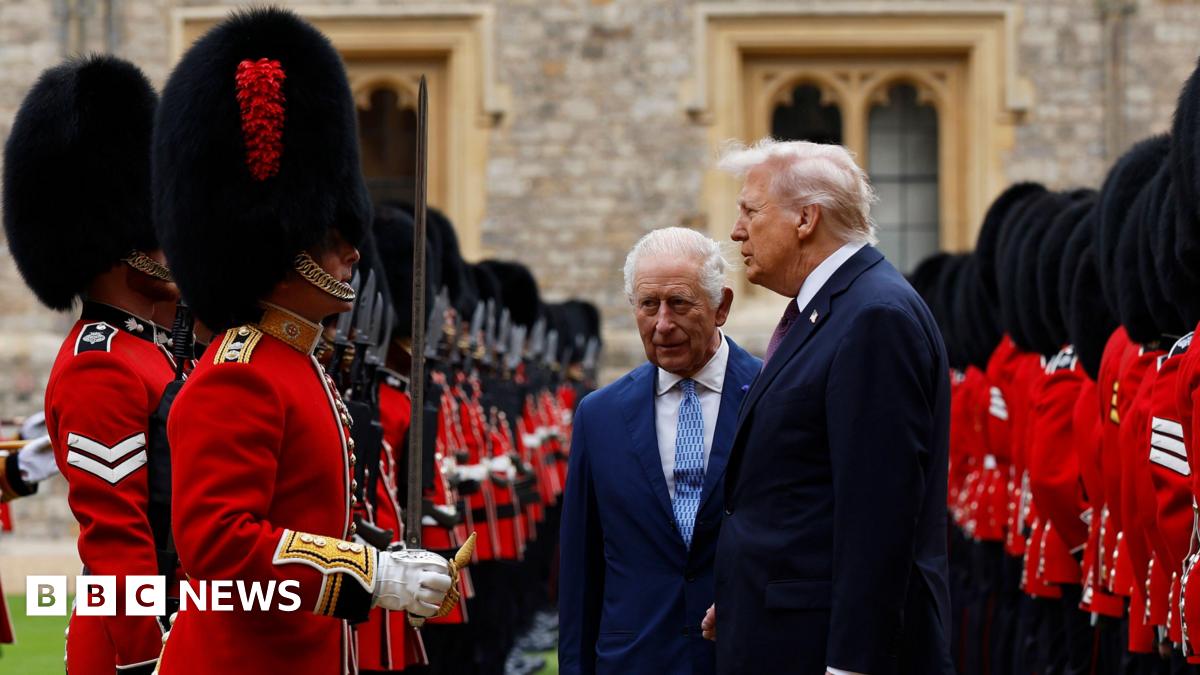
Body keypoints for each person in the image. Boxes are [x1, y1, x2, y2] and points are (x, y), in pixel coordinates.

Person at [151, 9, 452, 674]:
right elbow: (219, 545)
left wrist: (380, 561)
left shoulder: (299, 363)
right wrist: (367, 572)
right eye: (327, 236)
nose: (350, 252)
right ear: (277, 249)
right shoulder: (241, 373)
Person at [708, 139, 953, 675]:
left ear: (805, 218)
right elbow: (800, 494)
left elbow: (878, 518)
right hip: (785, 633)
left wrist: (852, 664)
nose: (736, 231)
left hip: (828, 651)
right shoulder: (831, 311)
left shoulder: (873, 318)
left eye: (750, 211)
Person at [3, 55, 183, 675]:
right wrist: (148, 659)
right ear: (123, 245)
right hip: (137, 652)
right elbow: (119, 544)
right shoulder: (100, 366)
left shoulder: (156, 354)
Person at [559, 227, 761, 674]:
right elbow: (580, 569)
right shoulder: (600, 416)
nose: (663, 324)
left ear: (721, 306)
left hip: (742, 654)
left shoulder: (772, 396)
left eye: (680, 303)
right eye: (648, 305)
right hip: (635, 659)